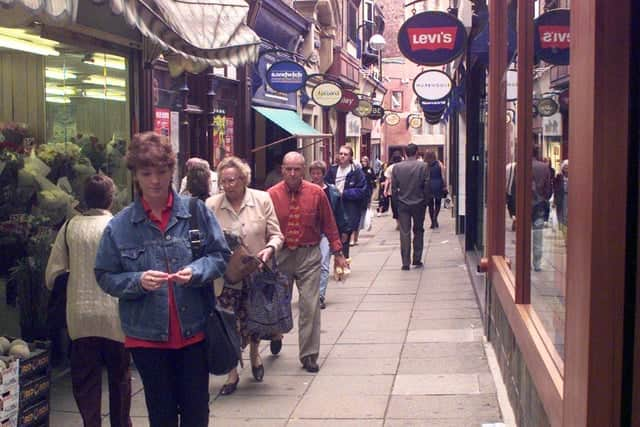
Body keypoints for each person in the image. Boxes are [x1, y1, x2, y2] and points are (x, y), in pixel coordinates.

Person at [94, 132, 231, 427]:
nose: (155, 180)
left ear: (172, 171)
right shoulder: (119, 226)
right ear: (135, 176)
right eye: (146, 173)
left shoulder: (194, 212)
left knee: (196, 413)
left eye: (161, 172)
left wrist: (197, 271)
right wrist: (137, 280)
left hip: (193, 331)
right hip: (146, 338)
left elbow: (220, 255)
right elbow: (105, 275)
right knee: (162, 414)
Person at [46, 175, 131, 427]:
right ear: (111, 198)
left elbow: (52, 275)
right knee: (119, 377)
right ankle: (120, 423)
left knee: (85, 379)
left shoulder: (70, 227)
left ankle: (91, 422)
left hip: (80, 316)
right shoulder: (119, 226)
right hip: (115, 316)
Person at [206, 156, 284, 395]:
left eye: (232, 180)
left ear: (243, 179)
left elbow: (276, 235)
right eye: (223, 181)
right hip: (226, 276)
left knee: (254, 319)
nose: (227, 185)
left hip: (257, 272)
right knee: (228, 323)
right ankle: (232, 372)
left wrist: (269, 250)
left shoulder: (261, 199)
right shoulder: (211, 205)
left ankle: (254, 355)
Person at [268, 152, 347, 373]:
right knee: (277, 303)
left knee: (310, 306)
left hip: (309, 254)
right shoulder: (271, 195)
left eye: (297, 169)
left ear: (303, 170)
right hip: (281, 254)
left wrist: (338, 251)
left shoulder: (316, 194)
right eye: (288, 169)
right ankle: (276, 333)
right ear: (282, 170)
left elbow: (329, 223)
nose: (292, 173)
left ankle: (309, 355)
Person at [309, 160, 349, 310]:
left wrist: (344, 230)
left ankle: (320, 296)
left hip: (325, 233)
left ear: (323, 174)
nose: (316, 176)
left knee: (324, 265)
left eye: (318, 173)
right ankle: (309, 294)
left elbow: (339, 212)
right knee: (309, 267)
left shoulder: (332, 191)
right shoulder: (306, 190)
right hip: (310, 233)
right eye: (313, 173)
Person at [324, 145, 368, 259]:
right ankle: (336, 263)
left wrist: (344, 193)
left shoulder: (356, 172)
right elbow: (325, 185)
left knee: (345, 237)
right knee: (333, 236)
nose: (342, 156)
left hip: (349, 209)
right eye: (341, 153)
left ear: (350, 157)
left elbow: (362, 191)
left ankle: (343, 263)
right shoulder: (332, 170)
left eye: (345, 154)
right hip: (333, 208)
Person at [391, 143, 430, 270]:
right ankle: (417, 259)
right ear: (417, 152)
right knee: (418, 230)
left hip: (403, 203)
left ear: (405, 153)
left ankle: (405, 262)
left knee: (404, 232)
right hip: (419, 203)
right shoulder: (423, 166)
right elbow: (426, 186)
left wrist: (396, 205)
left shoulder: (397, 167)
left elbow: (394, 188)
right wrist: (426, 201)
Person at [532, 146, 552, 271]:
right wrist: (545, 198)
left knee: (523, 235)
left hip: (525, 205)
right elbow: (548, 188)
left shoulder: (521, 165)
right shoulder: (544, 167)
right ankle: (537, 263)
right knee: (538, 234)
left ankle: (524, 259)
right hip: (539, 204)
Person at [353, 156, 376, 245]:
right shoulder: (359, 171)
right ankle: (354, 237)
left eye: (365, 161)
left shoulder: (369, 170)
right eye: (362, 161)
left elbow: (373, 179)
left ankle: (356, 237)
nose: (363, 162)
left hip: (367, 193)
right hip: (361, 193)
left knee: (362, 215)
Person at [425, 150, 447, 229]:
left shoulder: (425, 165)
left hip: (429, 185)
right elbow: (443, 176)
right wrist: (444, 185)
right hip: (438, 184)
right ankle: (435, 218)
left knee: (430, 205)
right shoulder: (439, 163)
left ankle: (432, 221)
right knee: (438, 203)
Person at [384, 152, 404, 229]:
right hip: (403, 189)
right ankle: (402, 221)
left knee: (394, 207)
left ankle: (398, 222)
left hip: (393, 191)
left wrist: (385, 190)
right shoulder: (403, 166)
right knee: (402, 205)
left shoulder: (390, 168)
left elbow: (387, 180)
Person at [553, 160, 568, 235]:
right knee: (559, 213)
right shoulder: (559, 176)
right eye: (565, 167)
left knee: (565, 214)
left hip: (567, 197)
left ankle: (565, 230)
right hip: (560, 197)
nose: (566, 169)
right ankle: (561, 229)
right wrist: (554, 200)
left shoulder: (572, 176)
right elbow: (555, 188)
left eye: (567, 167)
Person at [506, 161, 517, 231]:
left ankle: (514, 218)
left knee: (512, 207)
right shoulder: (509, 167)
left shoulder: (508, 167)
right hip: (513, 191)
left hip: (510, 192)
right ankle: (515, 218)